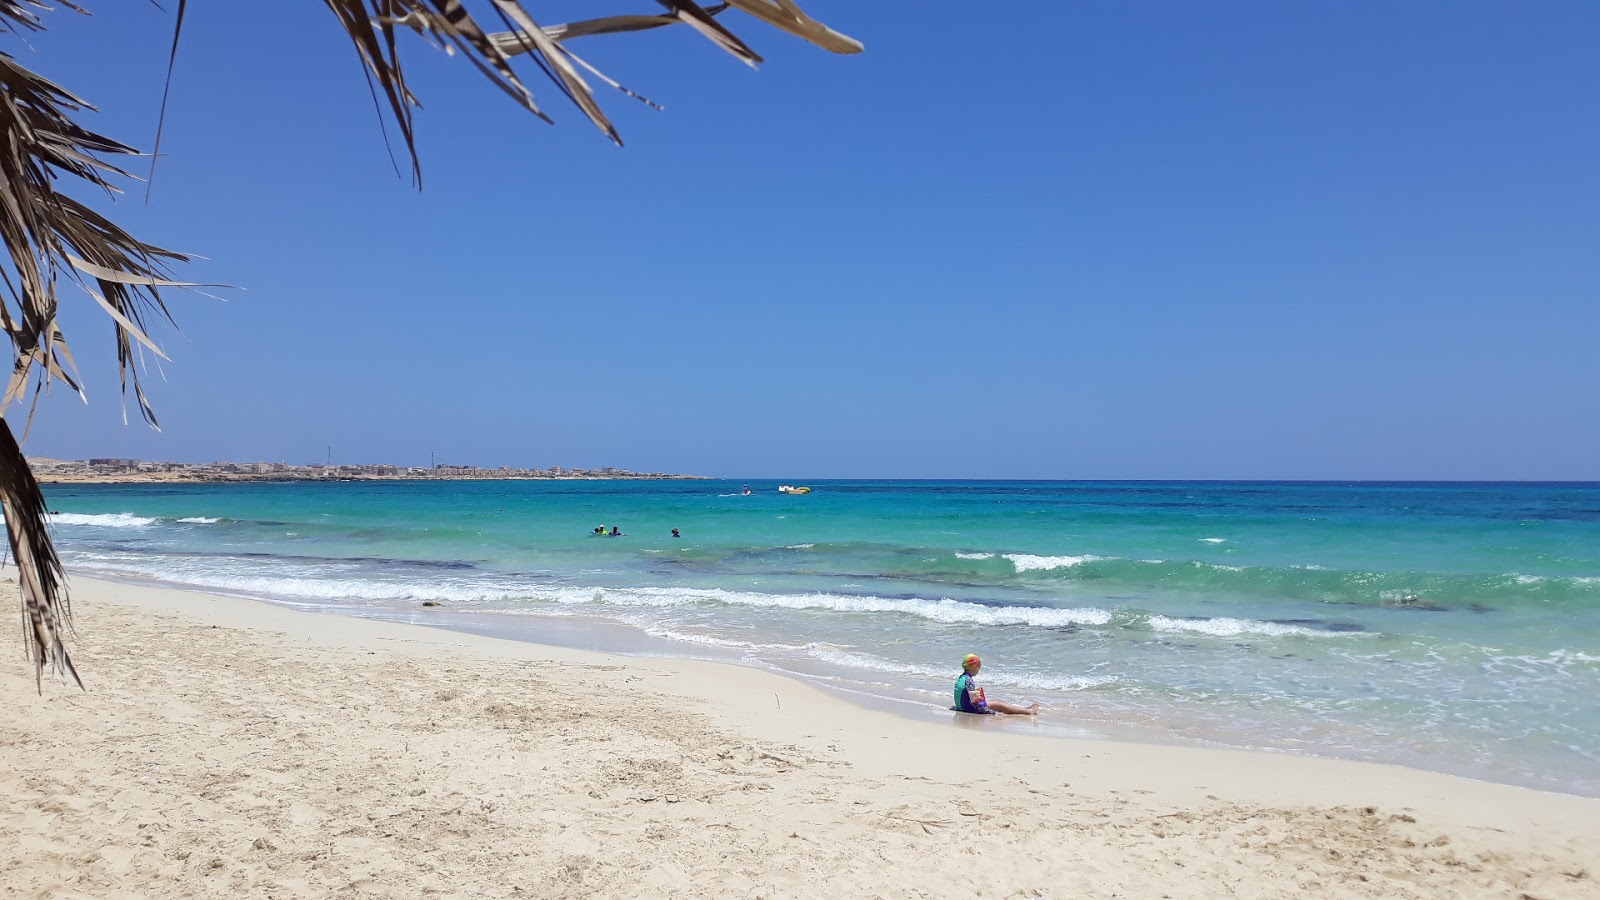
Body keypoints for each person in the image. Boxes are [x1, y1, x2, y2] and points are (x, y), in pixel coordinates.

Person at [953, 653, 1038, 716]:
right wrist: (993, 713)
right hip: (969, 709)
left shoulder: (961, 678)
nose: (978, 670)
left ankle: (1024, 709)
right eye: (979, 668)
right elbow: (976, 703)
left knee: (998, 703)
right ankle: (1029, 711)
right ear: (974, 667)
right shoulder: (969, 681)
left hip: (962, 707)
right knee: (999, 704)